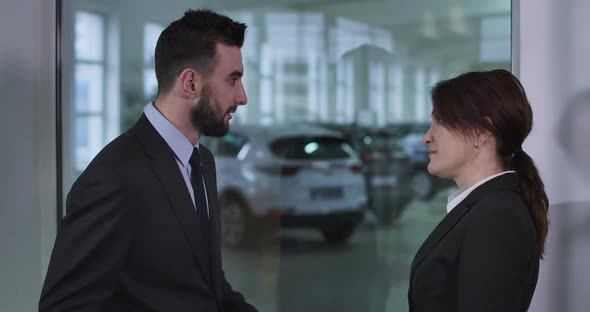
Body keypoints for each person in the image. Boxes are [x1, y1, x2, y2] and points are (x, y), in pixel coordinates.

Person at [40, 9, 257, 312]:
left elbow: (209, 286)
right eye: (233, 79)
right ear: (190, 84)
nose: (243, 96)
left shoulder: (203, 162)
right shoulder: (113, 177)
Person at [408, 69, 549, 312]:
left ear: (481, 132)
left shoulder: (497, 219)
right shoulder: (487, 208)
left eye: (440, 121)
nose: (427, 137)